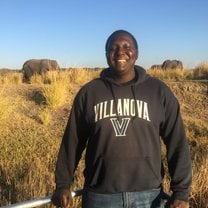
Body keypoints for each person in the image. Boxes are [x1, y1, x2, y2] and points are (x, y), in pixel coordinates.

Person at [52, 30, 192, 208]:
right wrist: (63, 184)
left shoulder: (158, 91)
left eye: (127, 47)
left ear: (137, 53)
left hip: (149, 196)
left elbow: (177, 141)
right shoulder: (89, 93)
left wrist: (181, 191)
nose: (120, 52)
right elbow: (72, 142)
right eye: (113, 48)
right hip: (99, 197)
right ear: (106, 54)